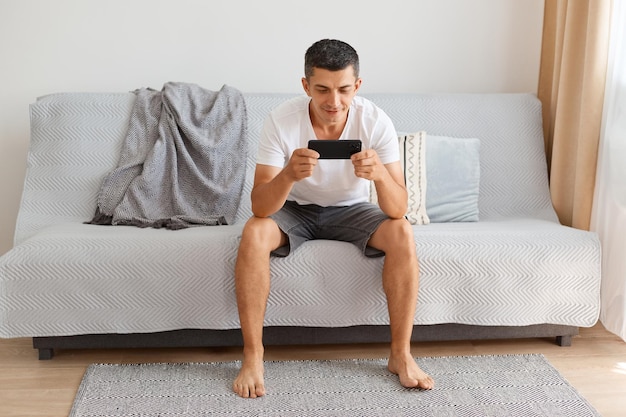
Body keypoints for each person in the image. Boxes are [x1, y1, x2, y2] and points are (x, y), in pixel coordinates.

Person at [232, 39, 434, 398]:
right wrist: (288, 176)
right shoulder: (281, 120)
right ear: (306, 85)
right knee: (253, 232)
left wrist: (380, 177)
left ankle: (400, 355)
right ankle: (253, 355)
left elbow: (398, 208)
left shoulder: (375, 120)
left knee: (401, 231)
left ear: (357, 85)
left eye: (343, 89)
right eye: (322, 89)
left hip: (352, 210)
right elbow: (260, 207)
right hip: (294, 209)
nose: (334, 102)